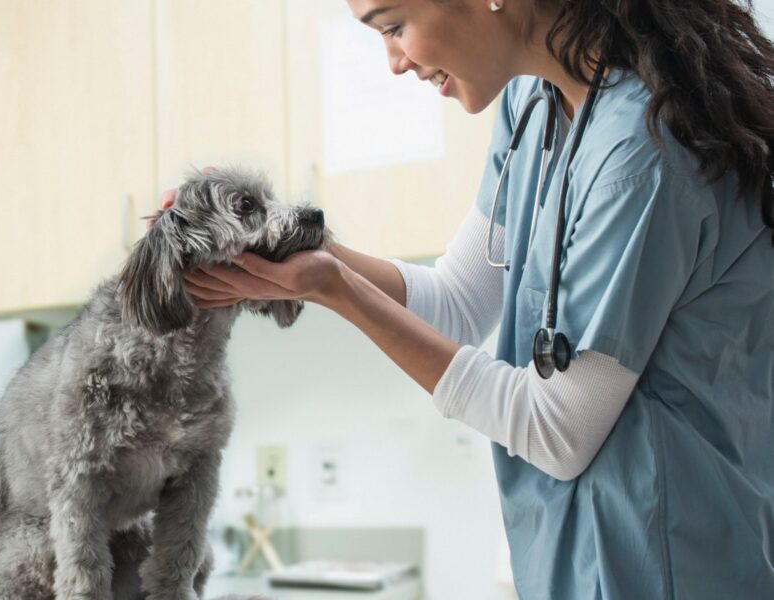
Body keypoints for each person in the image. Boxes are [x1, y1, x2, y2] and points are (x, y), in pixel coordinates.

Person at [149, 1, 774, 597]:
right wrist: (297, 250)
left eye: (393, 26)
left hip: (672, 562)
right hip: (580, 562)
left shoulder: (641, 156)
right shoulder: (535, 105)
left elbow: (558, 430)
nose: (394, 60)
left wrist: (337, 292)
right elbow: (459, 299)